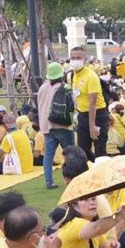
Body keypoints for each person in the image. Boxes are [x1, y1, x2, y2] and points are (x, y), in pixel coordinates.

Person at [37, 61, 77, 190]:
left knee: (48, 155)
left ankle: (49, 181)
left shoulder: (42, 88)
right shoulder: (65, 88)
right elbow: (73, 105)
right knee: (70, 155)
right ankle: (72, 179)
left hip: (46, 126)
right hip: (63, 126)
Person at [70, 46, 110, 159]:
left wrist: (92, 125)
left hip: (97, 116)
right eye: (73, 58)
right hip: (82, 115)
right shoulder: (74, 75)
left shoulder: (91, 76)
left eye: (78, 58)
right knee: (82, 151)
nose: (75, 60)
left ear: (85, 59)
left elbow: (93, 103)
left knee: (100, 151)